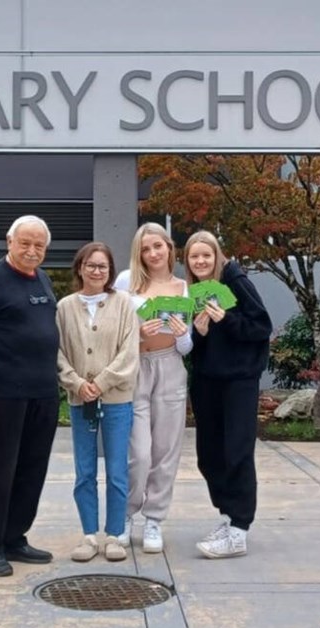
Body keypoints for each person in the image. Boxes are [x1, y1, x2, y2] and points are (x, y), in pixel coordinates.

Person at [0, 215, 60, 577]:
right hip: (6, 393)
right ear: (9, 241)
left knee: (32, 468)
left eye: (39, 245)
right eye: (25, 243)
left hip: (44, 392)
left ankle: (15, 536)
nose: (32, 251)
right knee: (0, 469)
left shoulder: (44, 278)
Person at [183, 230, 272, 559]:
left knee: (237, 451)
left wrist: (228, 319)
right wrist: (202, 332)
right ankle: (228, 515)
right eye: (194, 257)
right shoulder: (193, 291)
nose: (201, 261)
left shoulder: (236, 281)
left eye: (206, 255)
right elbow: (200, 348)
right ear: (188, 261)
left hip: (239, 382)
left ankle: (240, 528)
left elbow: (261, 327)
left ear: (217, 256)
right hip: (207, 382)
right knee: (209, 455)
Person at [56, 242, 139, 562]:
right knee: (84, 470)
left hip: (117, 399)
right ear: (80, 268)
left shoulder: (125, 305)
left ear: (110, 271)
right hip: (81, 401)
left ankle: (115, 534)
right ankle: (89, 535)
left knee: (118, 470)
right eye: (90, 265)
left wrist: (102, 382)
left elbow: (129, 353)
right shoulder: (65, 307)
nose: (96, 271)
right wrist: (77, 384)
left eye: (102, 266)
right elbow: (58, 353)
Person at [114, 222, 191, 553]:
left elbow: (188, 347)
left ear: (169, 248)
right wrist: (137, 335)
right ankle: (126, 515)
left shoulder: (184, 287)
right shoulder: (124, 282)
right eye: (146, 248)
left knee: (165, 451)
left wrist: (180, 333)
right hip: (135, 369)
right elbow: (111, 333)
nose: (153, 253)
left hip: (170, 366)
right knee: (140, 454)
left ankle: (155, 520)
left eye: (158, 246)